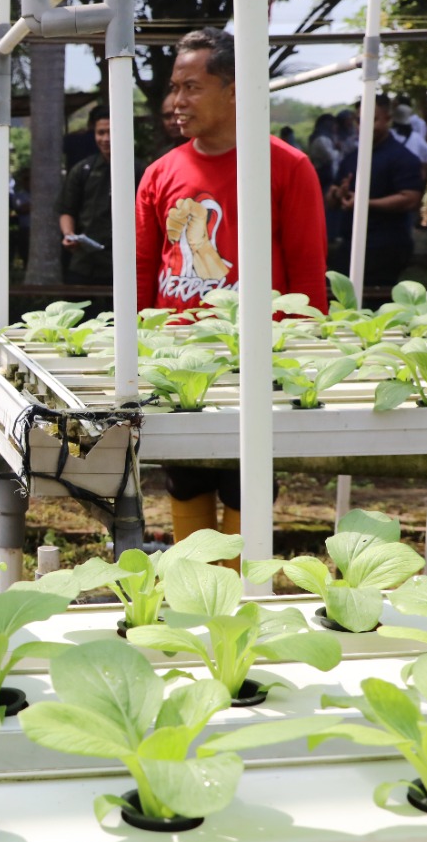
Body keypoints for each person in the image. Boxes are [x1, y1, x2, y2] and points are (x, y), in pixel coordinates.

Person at [135, 27, 327, 549]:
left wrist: (300, 365)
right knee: (185, 478)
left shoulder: (288, 166)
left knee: (247, 483)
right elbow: (141, 273)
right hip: (179, 369)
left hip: (255, 367)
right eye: (175, 88)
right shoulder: (159, 173)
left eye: (191, 87)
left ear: (235, 89)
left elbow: (308, 281)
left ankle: (243, 604)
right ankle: (194, 604)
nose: (176, 102)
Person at [327, 93, 425, 290]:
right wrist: (339, 194)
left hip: (385, 246)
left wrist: (363, 203)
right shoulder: (352, 157)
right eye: (359, 120)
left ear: (387, 119)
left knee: (372, 306)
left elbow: (411, 199)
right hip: (350, 244)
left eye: (373, 119)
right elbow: (330, 198)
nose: (364, 126)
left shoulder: (402, 158)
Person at [59, 106, 115, 285]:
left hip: (122, 263)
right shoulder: (82, 170)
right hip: (84, 264)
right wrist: (68, 234)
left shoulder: (139, 170)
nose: (106, 139)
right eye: (101, 133)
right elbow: (66, 208)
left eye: (111, 132)